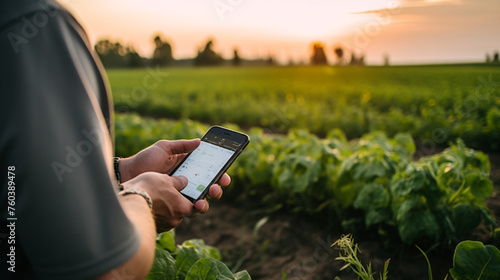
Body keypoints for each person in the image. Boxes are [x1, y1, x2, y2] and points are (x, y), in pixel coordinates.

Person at [0, 0, 229, 279]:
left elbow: (19, 181)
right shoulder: (33, 21)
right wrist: (143, 197)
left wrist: (124, 172)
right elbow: (105, 272)